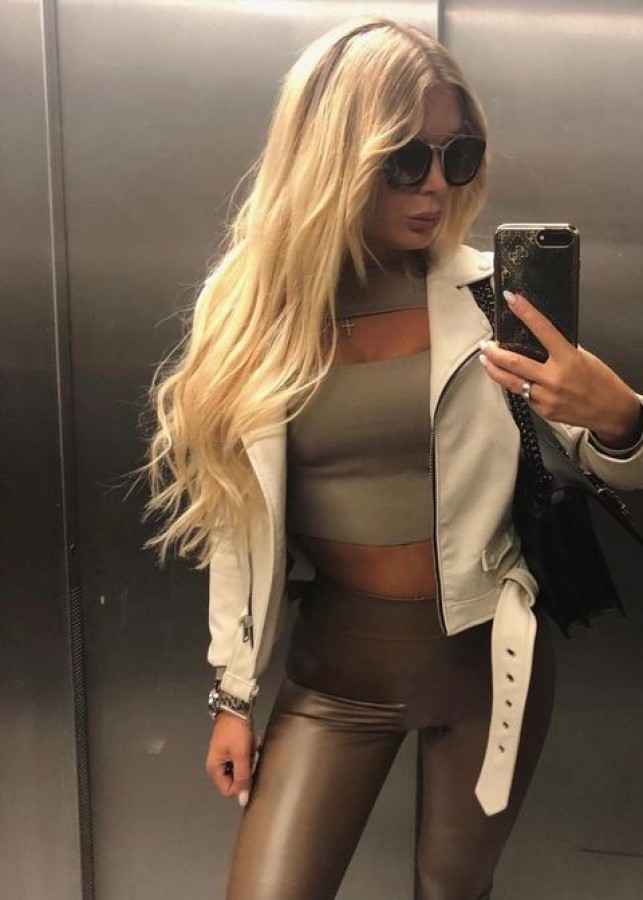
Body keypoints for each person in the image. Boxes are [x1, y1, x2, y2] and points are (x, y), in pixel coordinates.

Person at [146, 17, 643, 900]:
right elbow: (236, 520)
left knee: (452, 891)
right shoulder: (254, 311)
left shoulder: (492, 297)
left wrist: (619, 420)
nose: (438, 185)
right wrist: (232, 694)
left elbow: (599, 458)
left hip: (489, 665)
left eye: (458, 155)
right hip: (335, 674)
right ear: (333, 157)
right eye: (405, 160)